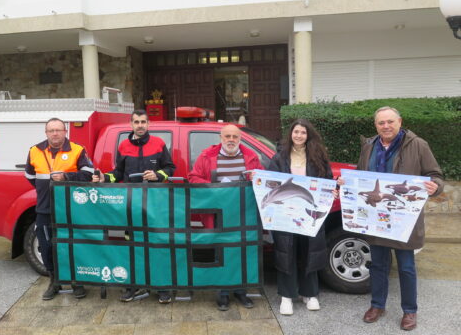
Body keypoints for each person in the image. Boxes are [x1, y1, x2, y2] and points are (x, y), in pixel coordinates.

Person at [355, 106, 443, 331]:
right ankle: (377, 305)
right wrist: (349, 184)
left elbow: (435, 175)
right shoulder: (369, 146)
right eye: (381, 123)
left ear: (400, 122)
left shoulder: (418, 145)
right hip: (376, 219)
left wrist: (435, 187)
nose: (386, 126)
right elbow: (360, 176)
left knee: (406, 267)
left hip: (405, 220)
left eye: (390, 122)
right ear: (375, 125)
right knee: (378, 265)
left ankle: (410, 311)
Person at [92, 109, 176, 304]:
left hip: (154, 204)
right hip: (130, 205)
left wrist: (158, 175)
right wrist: (106, 178)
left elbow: (170, 167)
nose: (140, 125)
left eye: (143, 122)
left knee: (156, 244)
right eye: (136, 122)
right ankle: (133, 285)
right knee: (132, 245)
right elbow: (118, 173)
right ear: (131, 124)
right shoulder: (123, 146)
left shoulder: (159, 143)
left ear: (149, 124)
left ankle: (161, 287)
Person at [188, 124, 263, 311]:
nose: (231, 139)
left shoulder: (251, 157)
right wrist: (216, 188)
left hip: (243, 214)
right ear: (221, 138)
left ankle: (241, 292)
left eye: (235, 137)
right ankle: (222, 293)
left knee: (241, 252)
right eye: (227, 136)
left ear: (240, 139)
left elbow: (263, 179)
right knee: (220, 252)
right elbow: (193, 178)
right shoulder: (207, 156)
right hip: (218, 215)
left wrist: (257, 177)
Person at [267, 119, 335, 316]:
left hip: (309, 213)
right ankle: (287, 296)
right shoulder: (279, 158)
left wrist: (333, 190)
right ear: (291, 134)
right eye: (296, 132)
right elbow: (270, 182)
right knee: (286, 252)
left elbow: (328, 181)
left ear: (308, 135)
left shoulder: (319, 157)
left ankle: (310, 293)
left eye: (303, 133)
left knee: (310, 251)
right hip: (285, 216)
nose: (299, 135)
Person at [25, 117, 94, 300]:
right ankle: (54, 282)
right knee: (47, 247)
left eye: (58, 130)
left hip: (70, 209)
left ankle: (76, 282)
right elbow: (29, 175)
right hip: (45, 209)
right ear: (46, 133)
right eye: (51, 130)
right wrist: (44, 190)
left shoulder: (77, 150)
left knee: (72, 245)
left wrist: (66, 177)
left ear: (65, 132)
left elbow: (88, 174)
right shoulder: (35, 151)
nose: (55, 133)